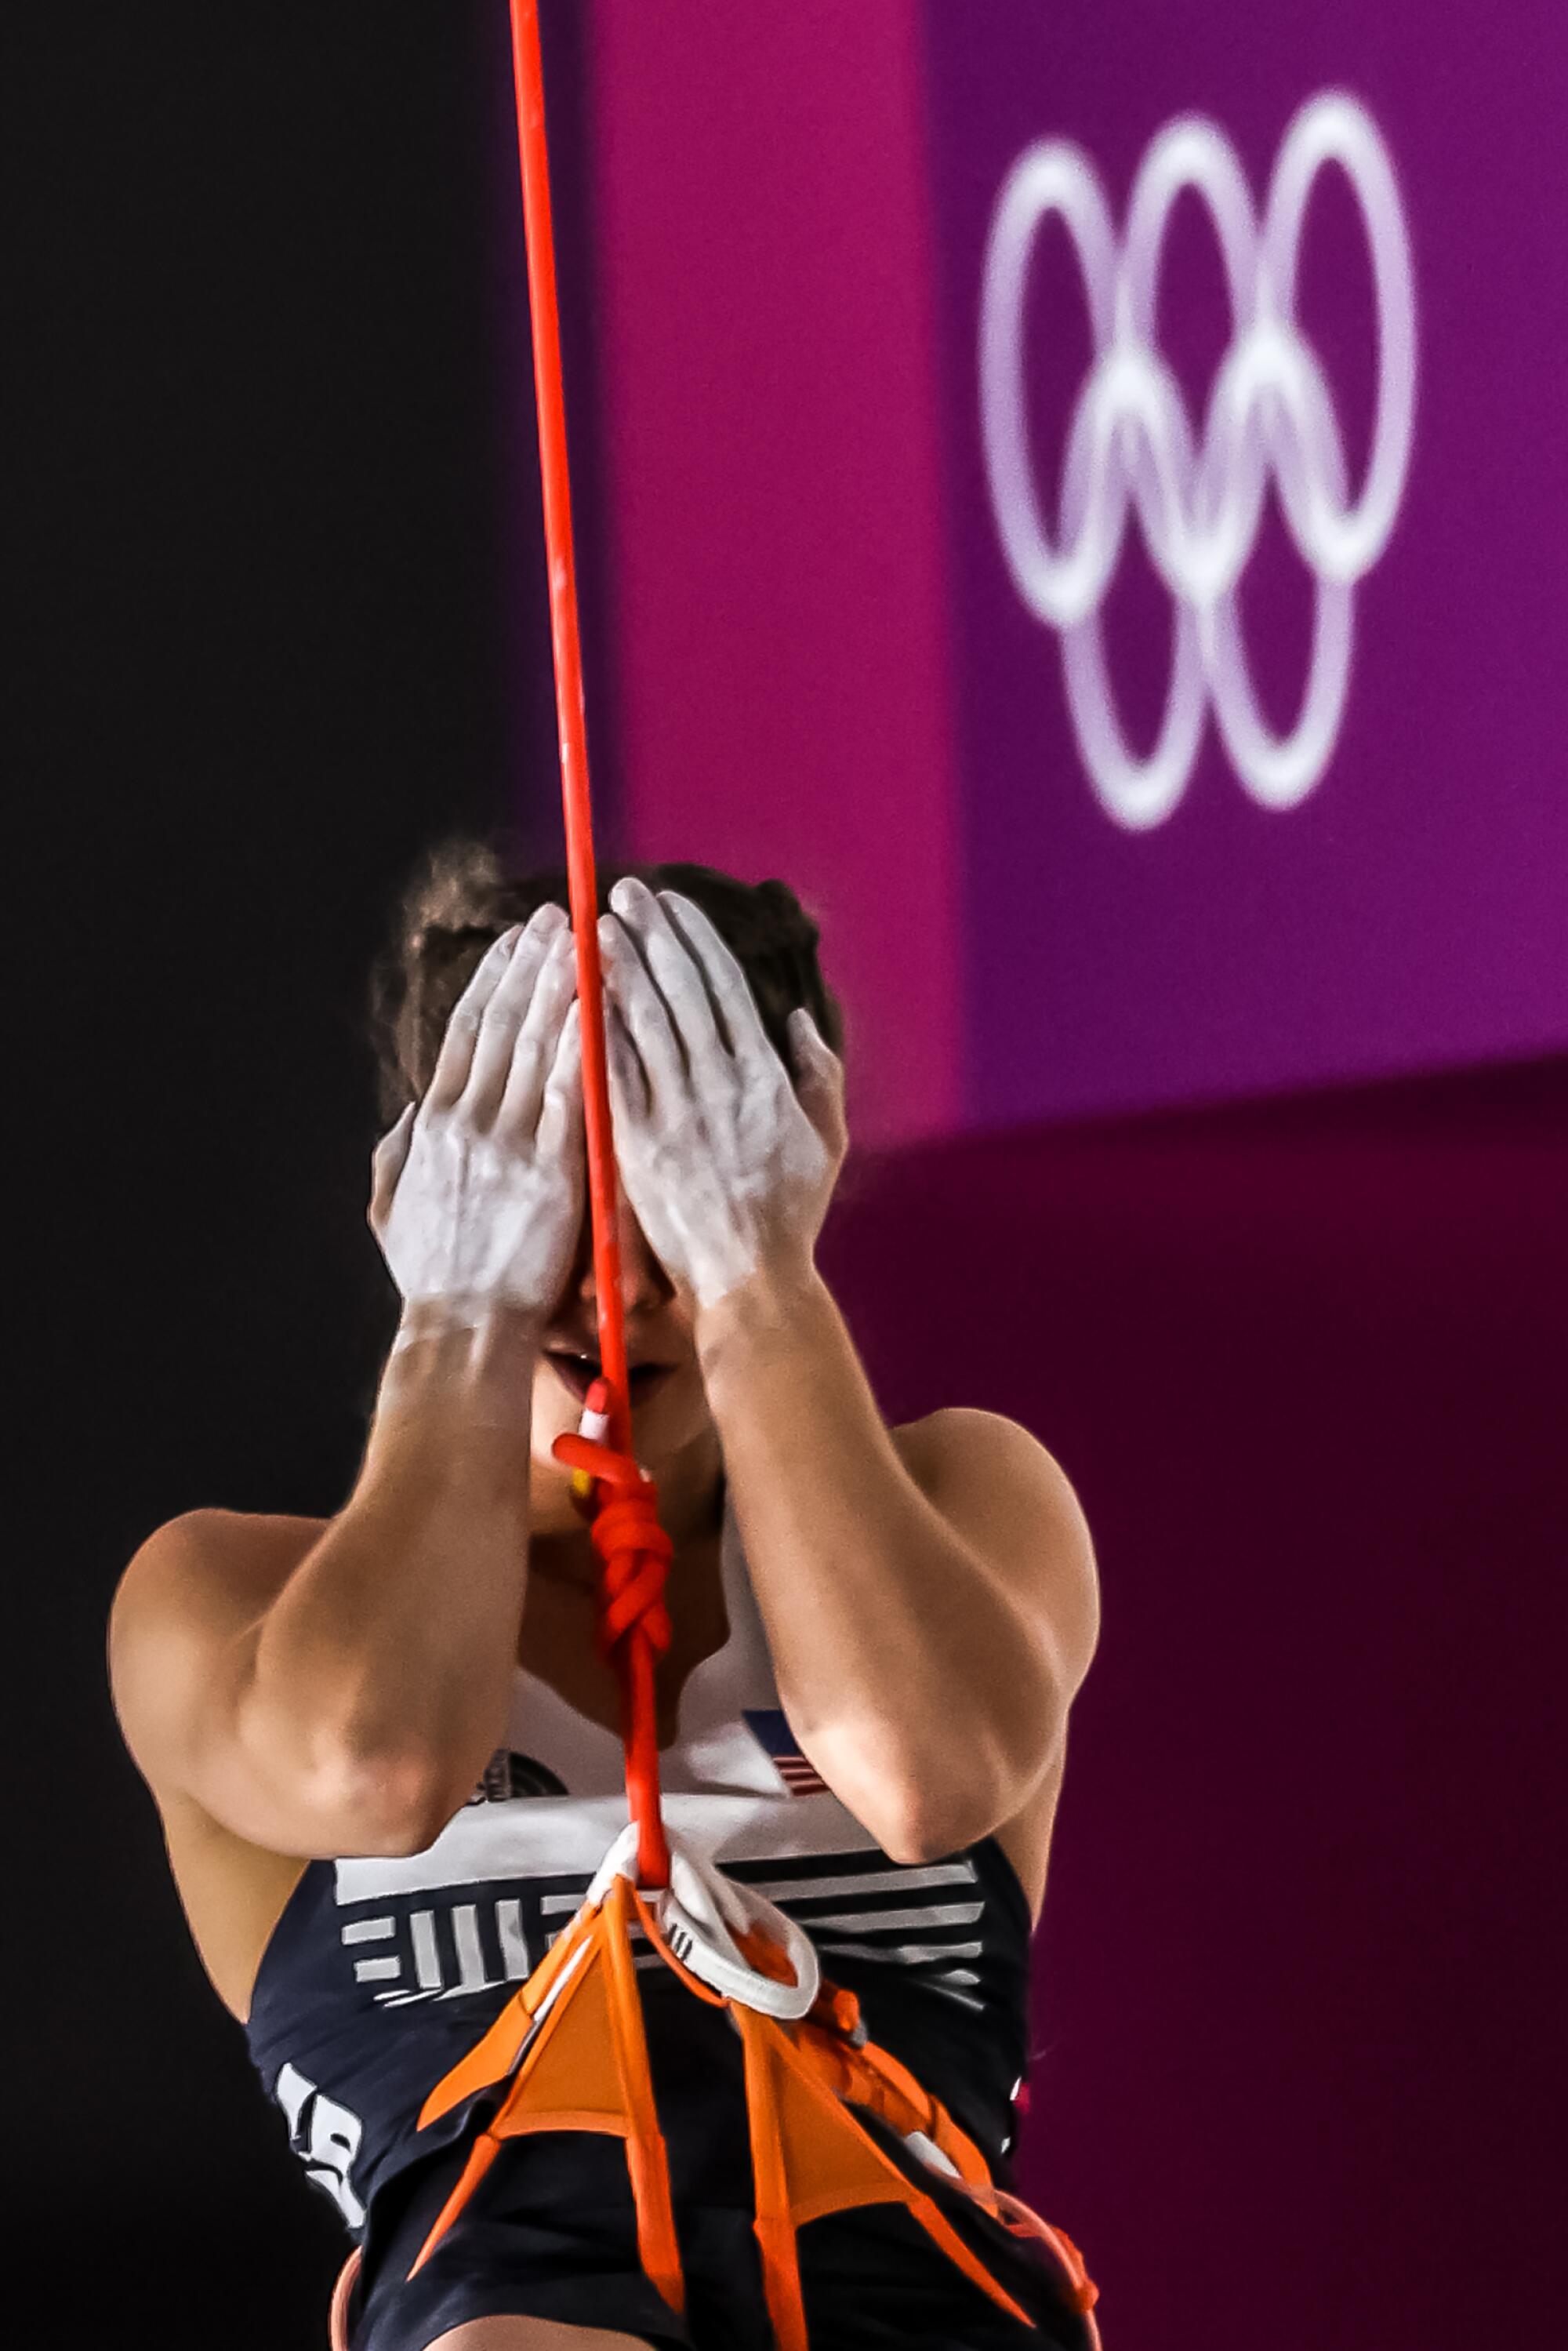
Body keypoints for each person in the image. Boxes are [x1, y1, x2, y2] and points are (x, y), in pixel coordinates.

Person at [109, 841, 1102, 2351]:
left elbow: (925, 1770)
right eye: (546, 1191)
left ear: (794, 1167)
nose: (618, 1286)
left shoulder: (970, 1497)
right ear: (419, 1190)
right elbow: (376, 1764)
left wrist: (762, 1280)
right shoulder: (224, 1592)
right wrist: (458, 1312)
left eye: (679, 1186)